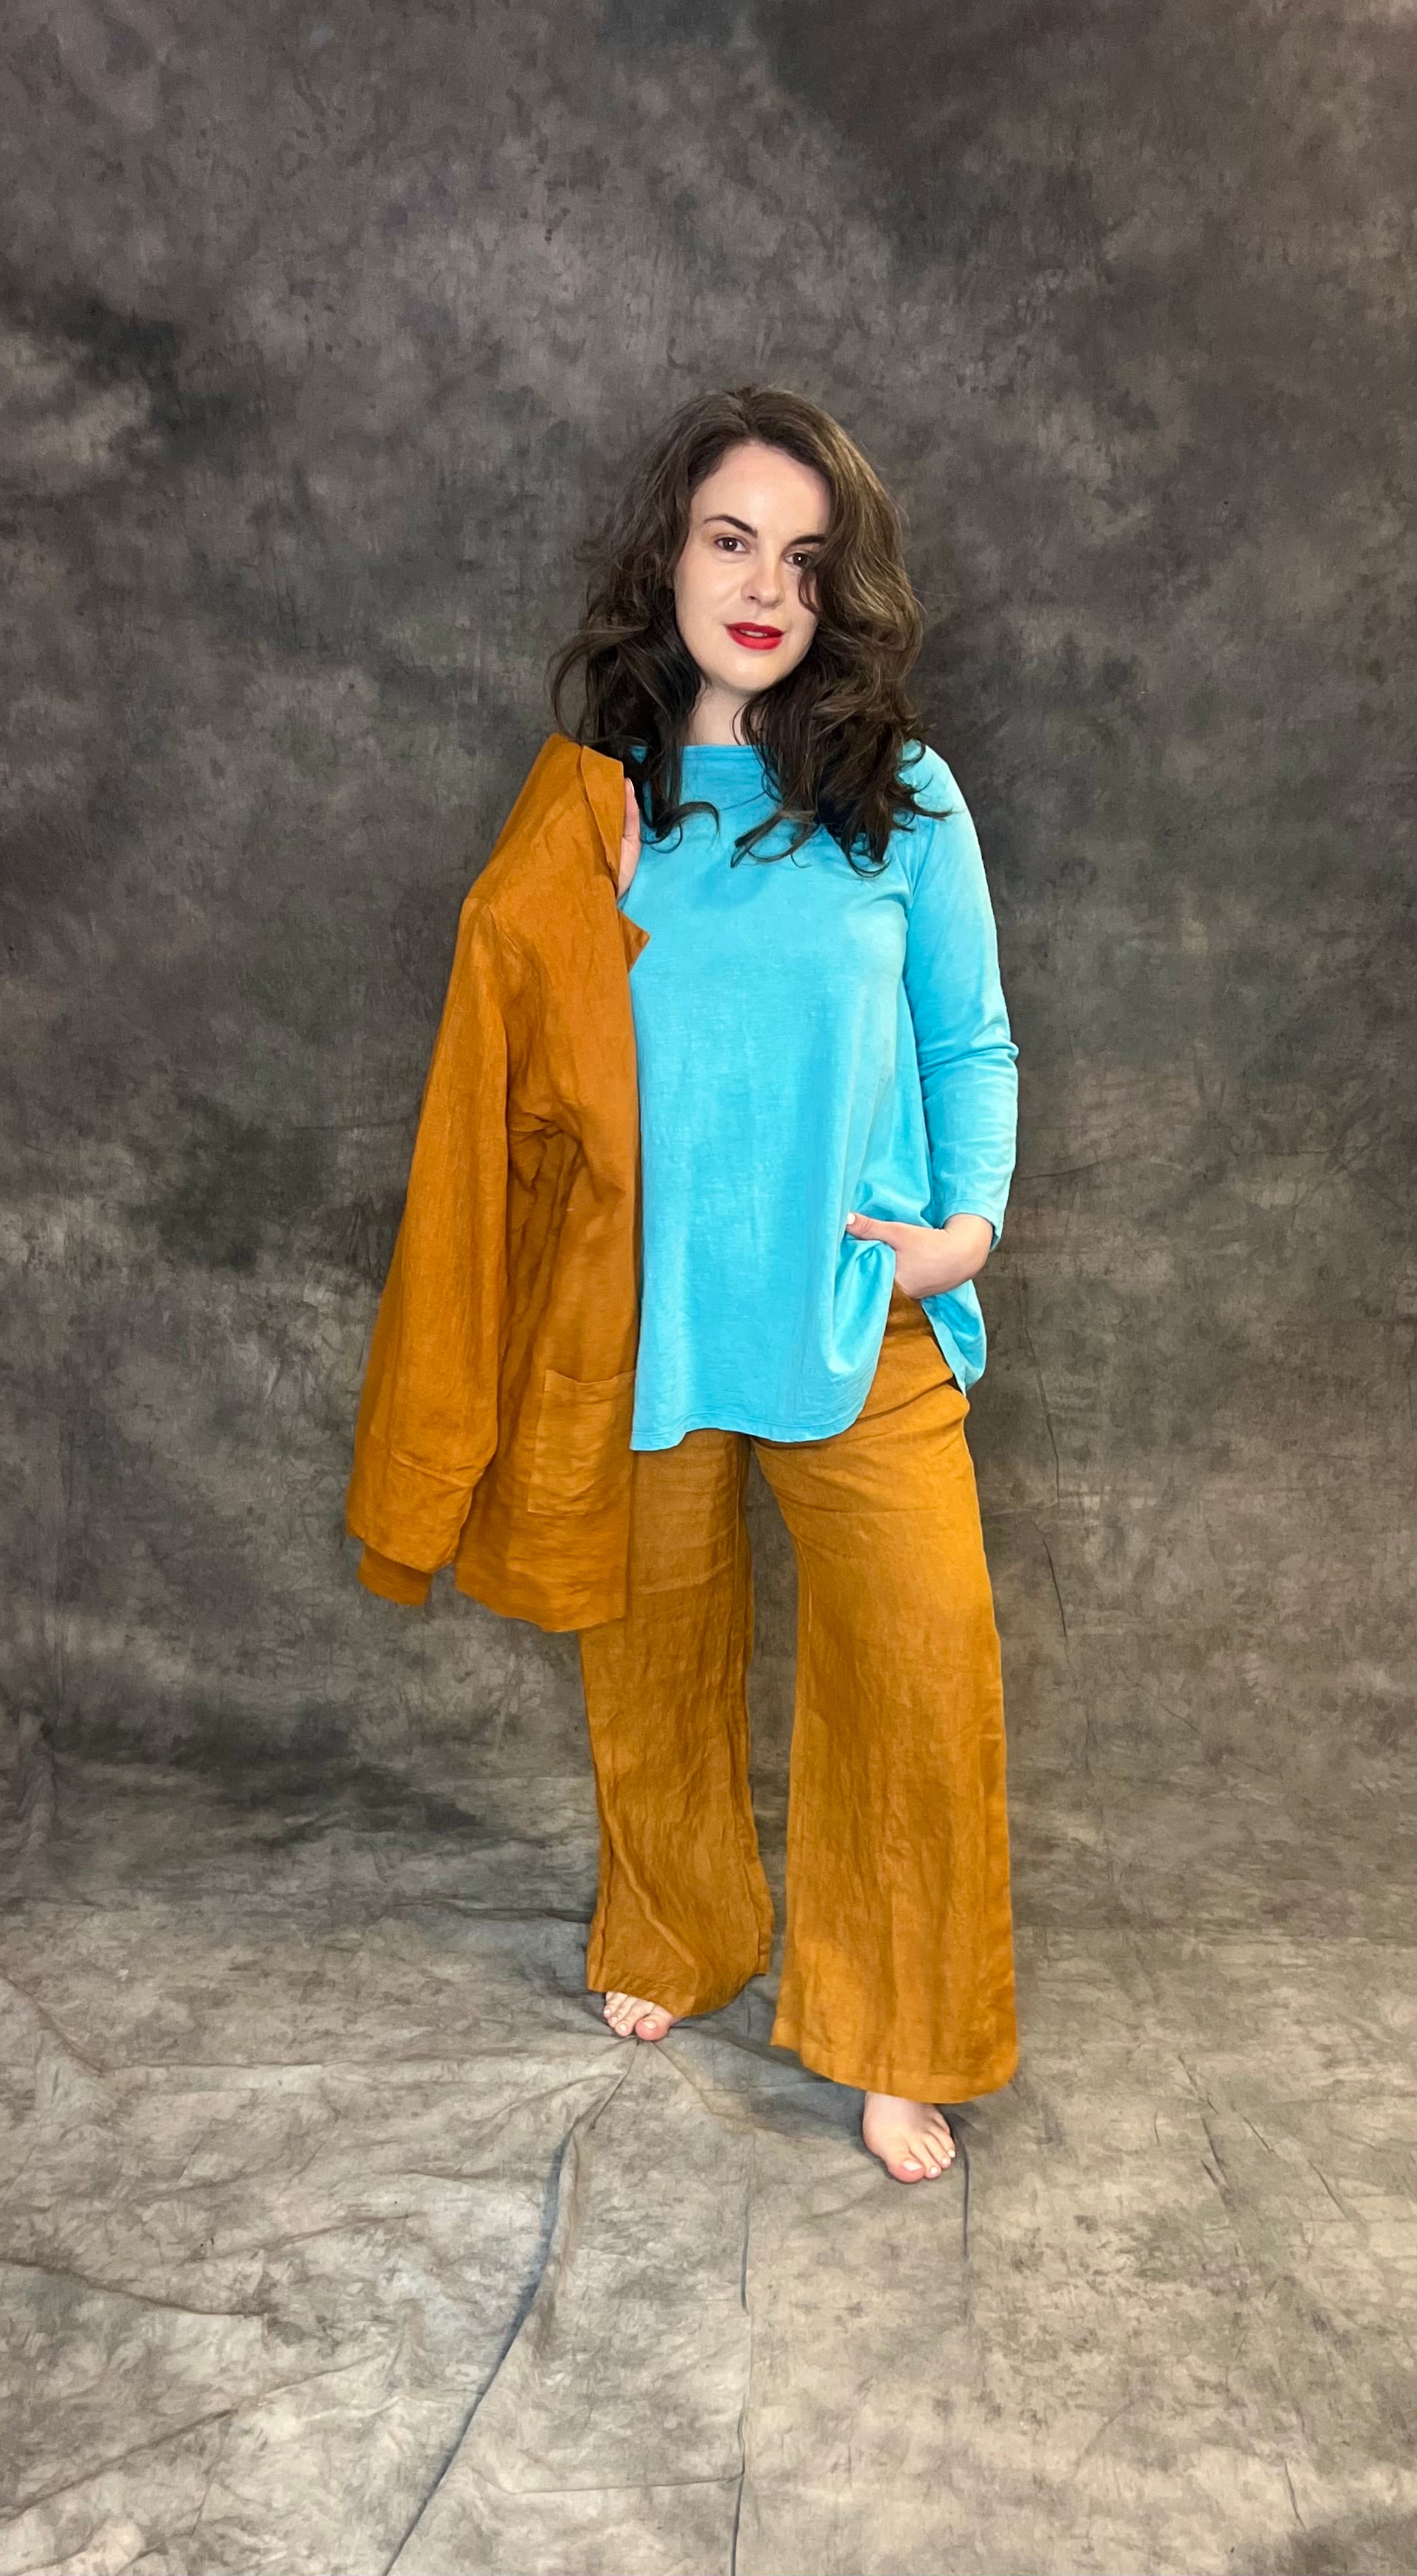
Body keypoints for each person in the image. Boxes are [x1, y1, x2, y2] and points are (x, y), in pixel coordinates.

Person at [543, 385, 1020, 2183]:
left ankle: (898, 2037)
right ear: (667, 555)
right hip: (651, 1316)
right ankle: (676, 1926)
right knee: (650, 1652)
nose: (764, 590)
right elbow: (530, 1057)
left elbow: (968, 1039)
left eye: (806, 562)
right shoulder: (600, 807)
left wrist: (964, 1231)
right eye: (731, 541)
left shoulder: (902, 795)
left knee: (920, 1665)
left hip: (858, 1304)